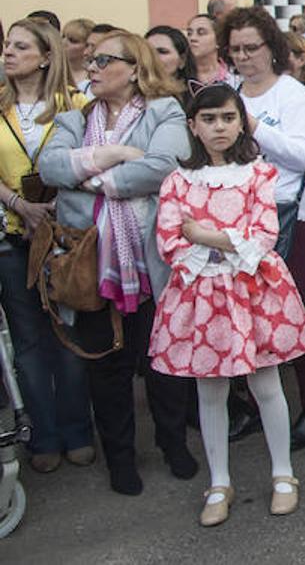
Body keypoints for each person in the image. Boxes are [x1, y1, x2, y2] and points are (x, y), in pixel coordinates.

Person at [39, 30, 199, 496]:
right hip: (90, 262)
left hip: (152, 263)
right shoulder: (74, 117)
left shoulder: (165, 110)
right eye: (89, 60)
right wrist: (113, 154)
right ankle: (120, 458)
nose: (90, 67)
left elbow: (163, 166)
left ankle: (174, 445)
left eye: (102, 60)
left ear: (134, 68)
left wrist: (88, 175)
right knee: (106, 366)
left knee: (163, 362)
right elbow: (48, 169)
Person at [147, 84, 305, 526]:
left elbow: (262, 237)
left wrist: (203, 235)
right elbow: (169, 240)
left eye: (227, 118)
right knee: (211, 389)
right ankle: (219, 480)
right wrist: (219, 244)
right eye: (208, 119)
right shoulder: (178, 180)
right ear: (192, 126)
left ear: (241, 121)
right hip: (201, 295)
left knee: (265, 383)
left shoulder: (259, 174)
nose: (219, 127)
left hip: (254, 292)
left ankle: (283, 474)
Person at [219, 7, 305, 444]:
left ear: (272, 48)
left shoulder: (293, 95)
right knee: (245, 316)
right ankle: (260, 403)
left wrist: (253, 125)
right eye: (235, 49)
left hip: (286, 214)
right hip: (234, 217)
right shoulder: (225, 90)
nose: (243, 57)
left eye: (251, 48)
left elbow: (302, 156)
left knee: (295, 311)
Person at [0, 19, 95, 473]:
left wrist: (58, 203)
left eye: (20, 46)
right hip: (13, 236)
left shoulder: (75, 105)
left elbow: (90, 158)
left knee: (67, 332)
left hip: (65, 236)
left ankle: (78, 430)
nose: (8, 53)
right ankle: (44, 436)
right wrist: (20, 202)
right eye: (7, 46)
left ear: (45, 56)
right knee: (29, 341)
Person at [187, 14, 232, 86]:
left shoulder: (233, 77)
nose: (192, 38)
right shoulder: (181, 76)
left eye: (201, 33)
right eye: (189, 33)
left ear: (218, 40)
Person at [63, 18, 94, 92]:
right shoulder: (51, 72)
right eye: (63, 36)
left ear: (88, 46)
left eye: (73, 41)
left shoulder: (95, 76)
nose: (63, 43)